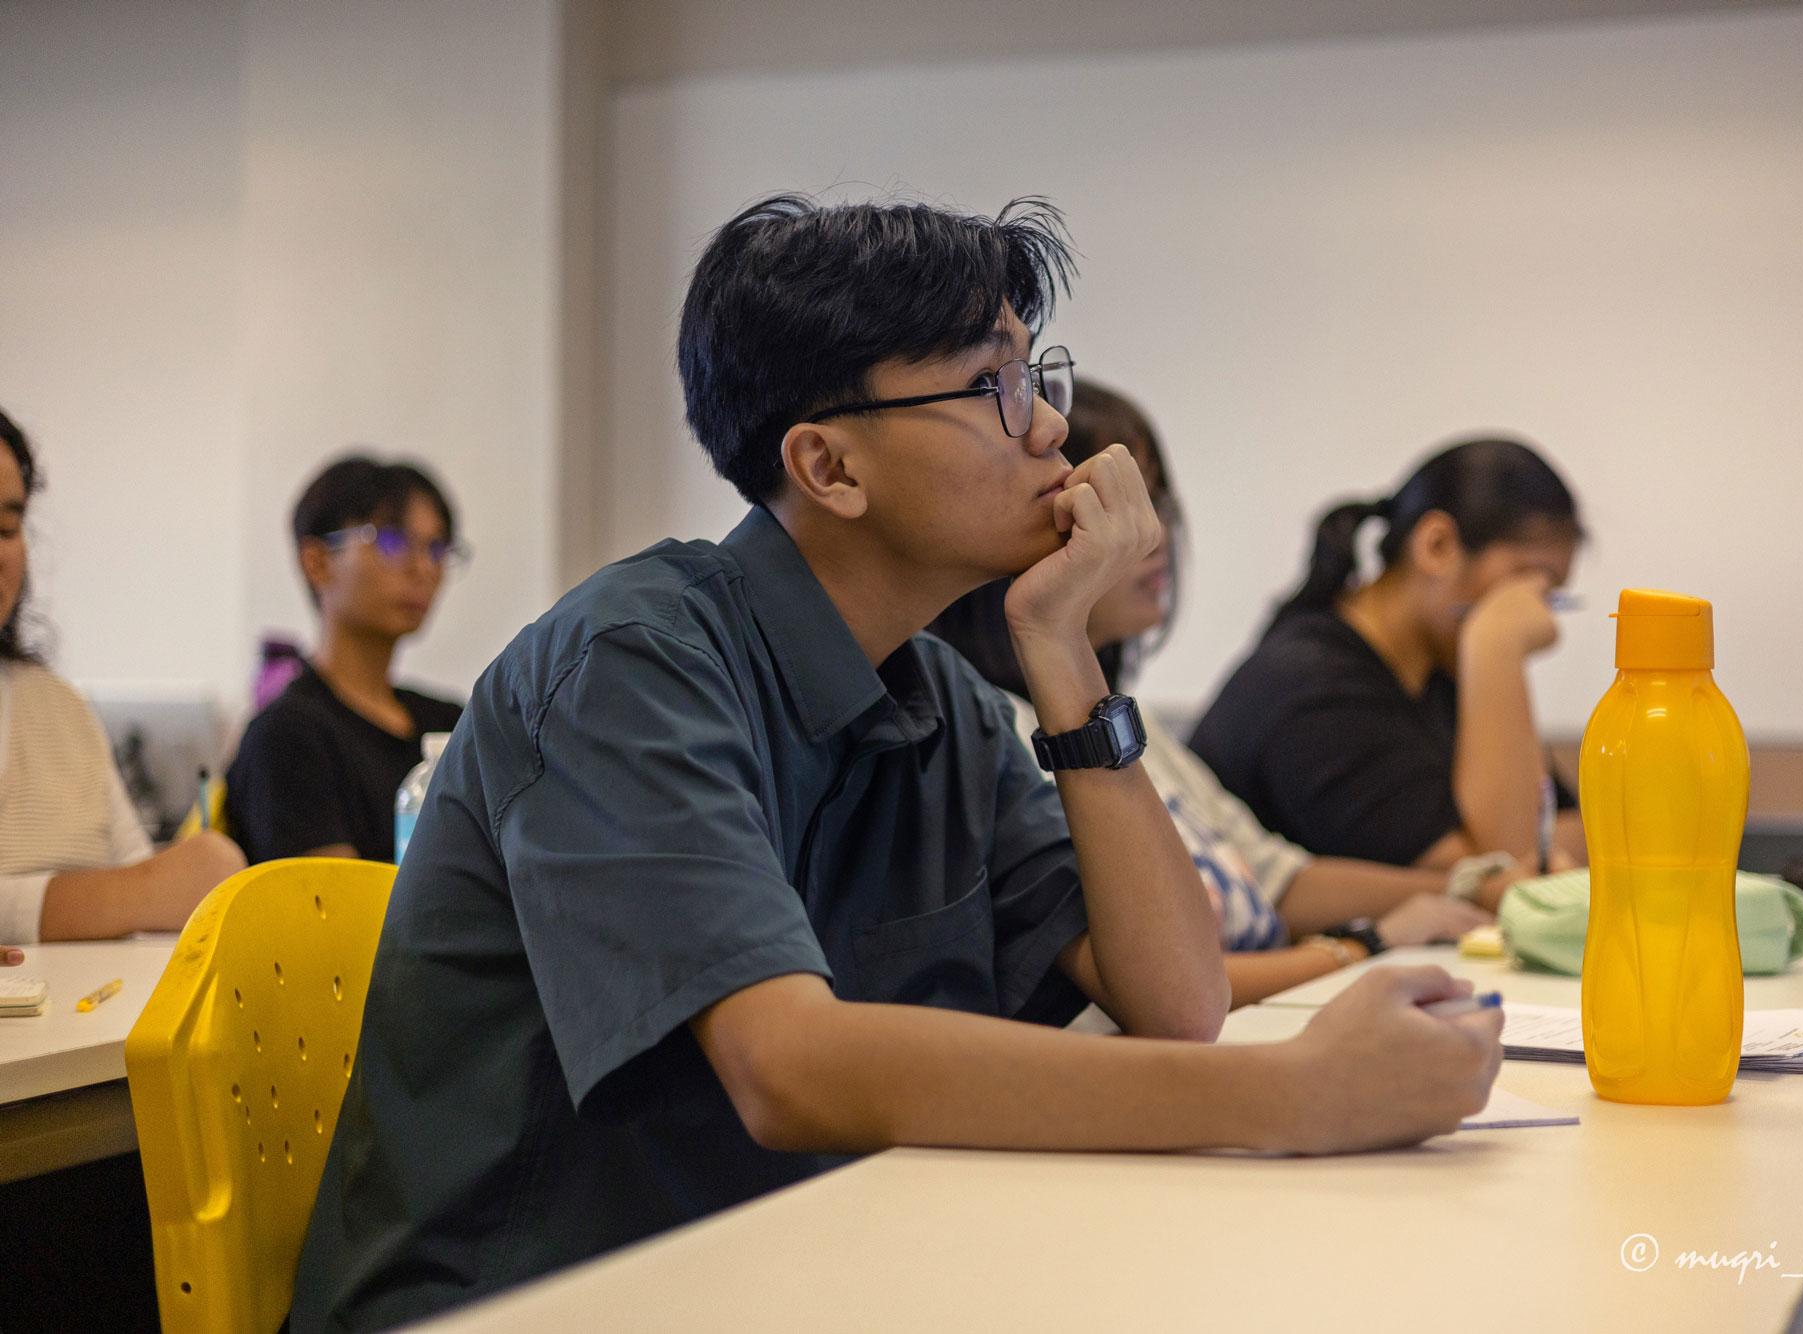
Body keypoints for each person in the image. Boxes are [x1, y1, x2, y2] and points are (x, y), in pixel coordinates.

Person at [290, 196, 1502, 1332]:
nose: (1049, 427)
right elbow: (791, 1067)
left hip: (801, 1275)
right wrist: (1295, 1093)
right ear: (829, 466)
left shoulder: (945, 701)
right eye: (994, 385)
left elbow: (1176, 1002)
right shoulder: (629, 665)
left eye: (1039, 375)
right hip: (537, 1300)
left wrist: (1063, 651)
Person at [930, 381, 1492, 1006]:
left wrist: (1466, 890)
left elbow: (1277, 877)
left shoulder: (1125, 722)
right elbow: (1172, 1000)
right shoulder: (1000, 725)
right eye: (1098, 503)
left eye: (1155, 502)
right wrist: (1364, 945)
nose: (1151, 533)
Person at [1192, 437, 1586, 882]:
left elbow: (1565, 832)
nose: (1536, 609)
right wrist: (1496, 646)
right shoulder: (1313, 688)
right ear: (1436, 546)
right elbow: (1504, 874)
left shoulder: (1439, 674)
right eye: (1527, 582)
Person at [0, 408, 244, 943]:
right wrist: (141, 893)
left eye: (7, 527)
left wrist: (164, 884)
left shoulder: (57, 705)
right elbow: (149, 892)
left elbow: (142, 880)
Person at [224, 457, 466, 864]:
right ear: (317, 562)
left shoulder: (452, 724)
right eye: (393, 542)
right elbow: (331, 909)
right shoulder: (287, 737)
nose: (424, 568)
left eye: (437, 548)